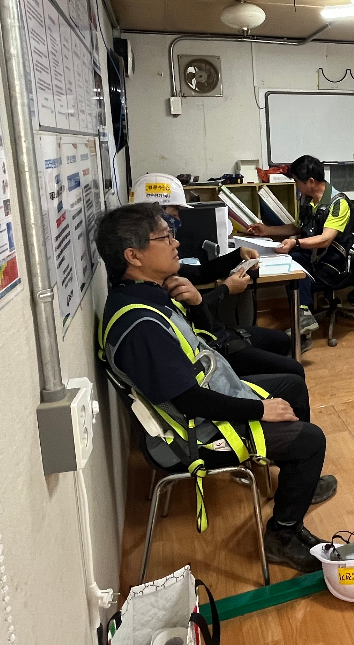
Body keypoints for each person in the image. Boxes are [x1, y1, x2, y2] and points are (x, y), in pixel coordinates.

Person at [96, 203, 337, 572]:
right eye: (165, 238)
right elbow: (190, 400)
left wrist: (197, 302)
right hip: (197, 434)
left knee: (291, 383)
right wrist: (260, 409)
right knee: (311, 440)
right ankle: (283, 534)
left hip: (214, 397)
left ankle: (295, 474)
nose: (176, 243)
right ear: (134, 256)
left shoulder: (145, 294)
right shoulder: (141, 325)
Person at [131, 173, 303, 377]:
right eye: (175, 212)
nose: (178, 221)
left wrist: (237, 255)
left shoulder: (158, 265)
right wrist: (226, 289)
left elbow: (201, 273)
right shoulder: (146, 281)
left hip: (216, 333)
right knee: (293, 371)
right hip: (209, 345)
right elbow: (191, 309)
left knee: (282, 341)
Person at [246, 155, 351, 336]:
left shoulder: (337, 203)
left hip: (333, 261)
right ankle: (303, 318)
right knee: (290, 261)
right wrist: (267, 230)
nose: (295, 185)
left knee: (295, 265)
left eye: (296, 181)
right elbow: (297, 227)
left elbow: (325, 239)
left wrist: (295, 243)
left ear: (310, 182)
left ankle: (303, 319)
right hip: (314, 255)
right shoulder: (307, 199)